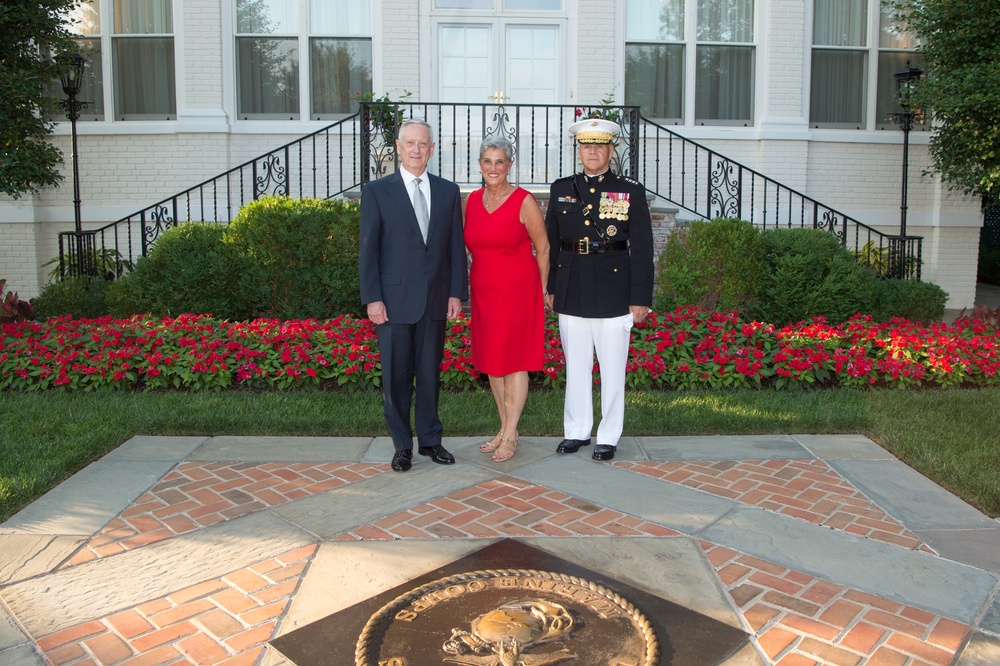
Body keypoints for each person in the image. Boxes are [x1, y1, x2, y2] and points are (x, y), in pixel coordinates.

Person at [359, 118, 469, 472]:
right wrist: (372, 297)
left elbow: (455, 247)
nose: (417, 150)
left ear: (432, 149)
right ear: (398, 146)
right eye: (410, 143)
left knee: (429, 374)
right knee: (396, 377)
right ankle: (402, 446)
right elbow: (368, 250)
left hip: (435, 298)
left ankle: (431, 441)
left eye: (423, 144)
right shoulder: (377, 191)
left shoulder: (448, 191)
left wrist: (456, 293)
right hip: (392, 302)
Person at [544, 117, 654, 461]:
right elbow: (550, 243)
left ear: (610, 150)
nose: (592, 151)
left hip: (614, 287)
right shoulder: (562, 188)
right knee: (575, 365)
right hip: (571, 284)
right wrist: (550, 287)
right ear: (579, 151)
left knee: (611, 367)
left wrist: (640, 297)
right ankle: (576, 430)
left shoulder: (629, 190)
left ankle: (608, 434)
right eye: (586, 145)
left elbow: (643, 247)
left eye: (600, 145)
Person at [464, 137, 550, 463]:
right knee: (493, 363)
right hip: (485, 294)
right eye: (487, 161)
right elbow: (469, 246)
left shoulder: (523, 201)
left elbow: (543, 249)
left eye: (500, 162)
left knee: (513, 362)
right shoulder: (470, 201)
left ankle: (511, 432)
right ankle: (502, 427)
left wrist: (542, 290)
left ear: (510, 165)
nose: (493, 168)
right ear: (480, 165)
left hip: (518, 292)